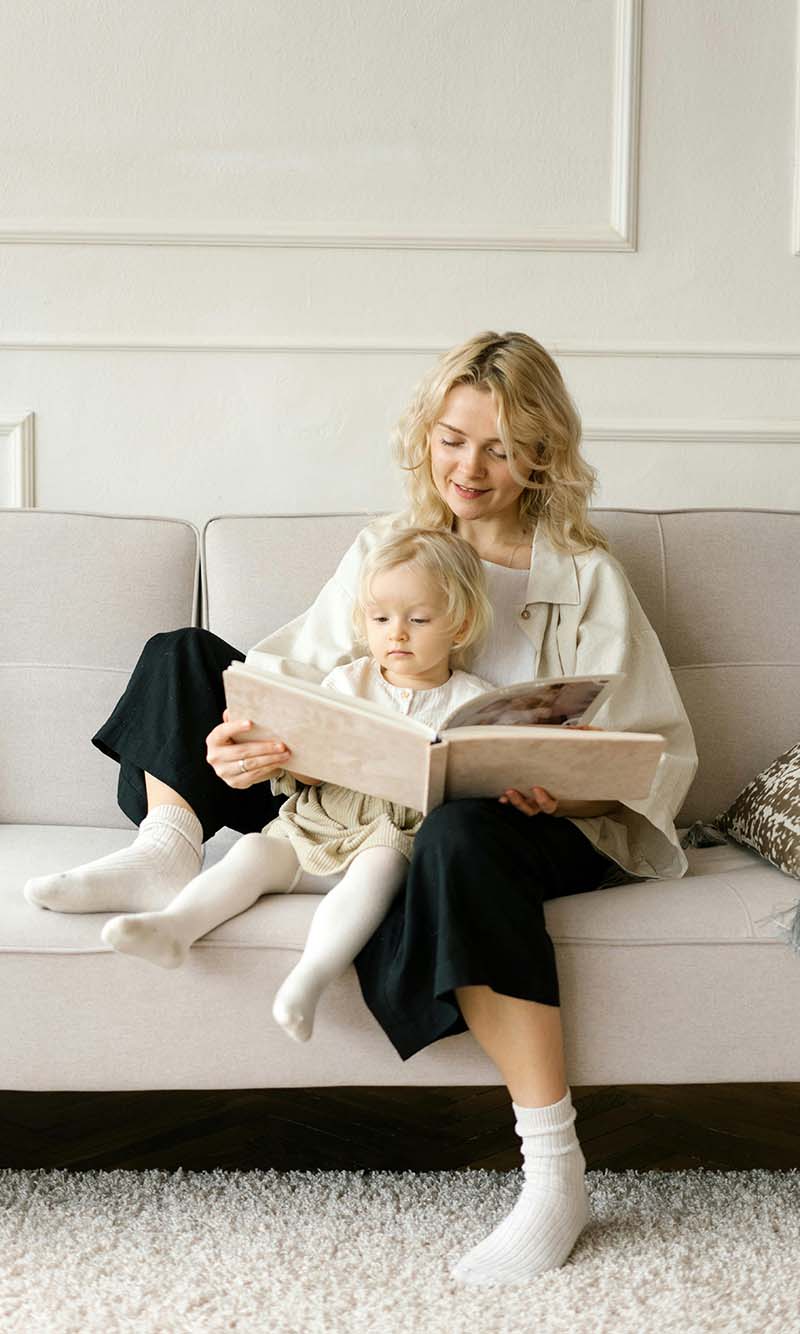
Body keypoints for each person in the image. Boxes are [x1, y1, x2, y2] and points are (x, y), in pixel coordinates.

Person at [22, 331, 698, 1288]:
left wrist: (565, 784)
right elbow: (290, 672)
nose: (471, 467)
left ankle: (555, 1175)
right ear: (426, 433)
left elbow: (652, 748)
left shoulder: (586, 574)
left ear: (542, 454)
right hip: (357, 794)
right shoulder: (387, 550)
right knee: (183, 655)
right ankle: (169, 846)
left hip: (525, 818)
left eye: (502, 448)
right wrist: (243, 737)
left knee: (463, 834)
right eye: (454, 439)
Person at [94, 528, 494, 1048]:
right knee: (255, 849)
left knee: (380, 867)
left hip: (393, 831)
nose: (397, 634)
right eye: (380, 620)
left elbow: (480, 777)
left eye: (417, 620)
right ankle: (175, 926)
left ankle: (310, 978)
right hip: (321, 817)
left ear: (458, 625)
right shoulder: (348, 683)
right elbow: (304, 761)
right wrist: (297, 759)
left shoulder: (473, 700)